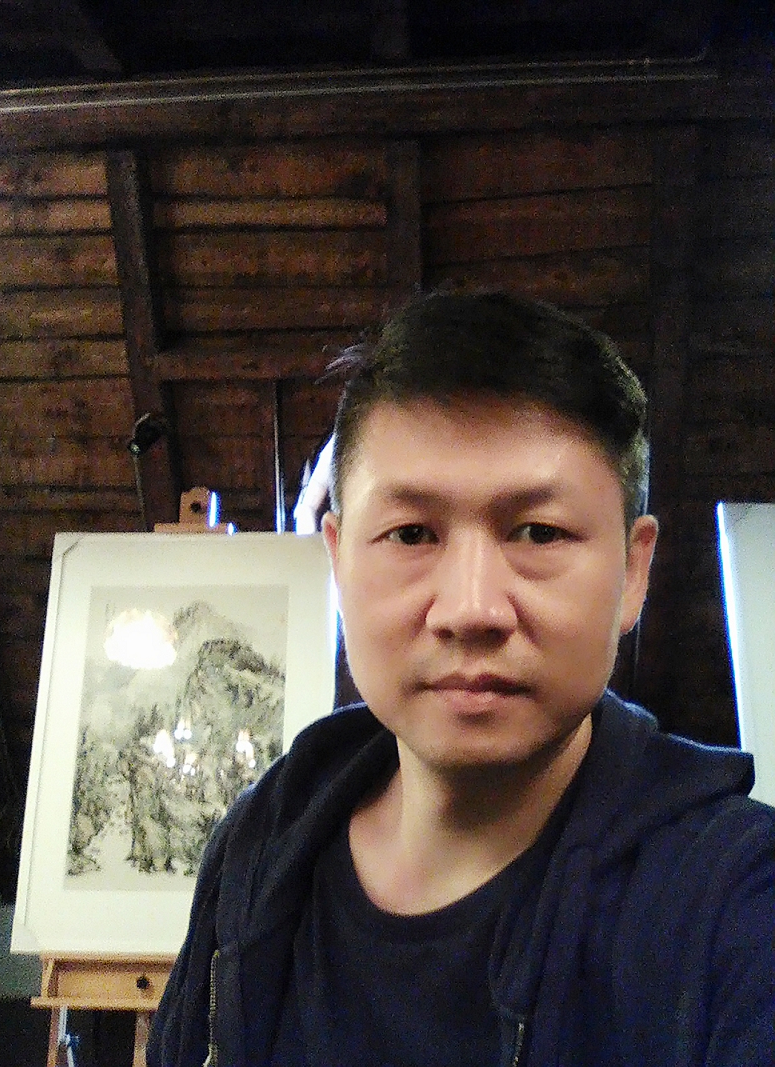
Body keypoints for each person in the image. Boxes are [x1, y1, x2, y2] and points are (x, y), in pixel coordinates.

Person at [147, 290, 774, 1067]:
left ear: (633, 570)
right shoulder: (259, 844)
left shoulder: (732, 904)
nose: (471, 609)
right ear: (338, 560)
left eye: (538, 531)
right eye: (411, 532)